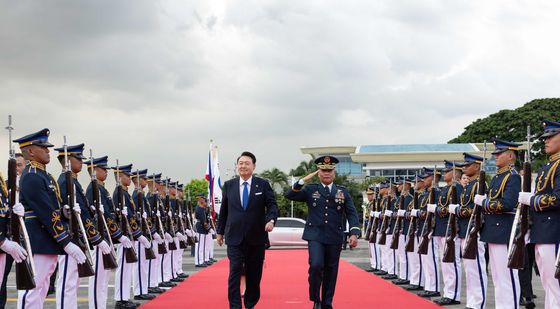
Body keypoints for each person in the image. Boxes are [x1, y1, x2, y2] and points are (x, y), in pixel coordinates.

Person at [15, 128, 86, 308]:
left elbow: (53, 209)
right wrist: (66, 242)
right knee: (32, 291)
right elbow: (46, 213)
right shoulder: (32, 176)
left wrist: (64, 212)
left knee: (42, 287)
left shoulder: (45, 176)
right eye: (43, 147)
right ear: (30, 151)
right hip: (37, 241)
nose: (48, 151)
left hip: (46, 240)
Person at [285, 155, 360, 309]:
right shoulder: (311, 189)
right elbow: (289, 195)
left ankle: (327, 303)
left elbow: (352, 213)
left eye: (330, 170)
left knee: (331, 271)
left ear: (334, 173)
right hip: (315, 235)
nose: (327, 173)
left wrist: (354, 232)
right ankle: (315, 298)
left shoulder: (342, 191)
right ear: (318, 172)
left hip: (334, 235)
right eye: (323, 170)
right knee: (316, 265)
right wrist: (301, 182)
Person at [216, 151, 278, 309]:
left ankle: (250, 304)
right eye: (240, 163)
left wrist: (271, 220)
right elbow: (224, 210)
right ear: (237, 166)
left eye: (247, 163)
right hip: (234, 237)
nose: (243, 166)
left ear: (254, 166)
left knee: (254, 274)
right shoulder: (229, 185)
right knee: (234, 272)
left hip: (256, 237)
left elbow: (272, 205)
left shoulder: (262, 184)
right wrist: (220, 231)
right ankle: (235, 306)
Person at [55, 143, 112, 309]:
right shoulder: (65, 181)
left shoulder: (74, 181)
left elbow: (85, 212)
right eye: (77, 158)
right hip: (69, 237)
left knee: (74, 281)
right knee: (67, 282)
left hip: (78, 237)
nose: (81, 162)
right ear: (67, 160)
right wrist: (95, 237)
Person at [518, 119, 560, 309]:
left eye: (550, 137)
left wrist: (531, 199)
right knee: (548, 282)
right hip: (542, 231)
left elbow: (557, 199)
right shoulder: (545, 168)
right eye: (545, 138)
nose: (546, 141)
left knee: (556, 283)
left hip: (554, 232)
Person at [476, 139, 521, 309]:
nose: (495, 156)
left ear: (510, 156)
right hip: (493, 230)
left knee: (507, 275)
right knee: (497, 276)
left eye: (499, 153)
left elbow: (507, 203)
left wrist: (485, 203)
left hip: (504, 230)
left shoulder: (513, 177)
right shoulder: (498, 177)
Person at [449, 152, 488, 309]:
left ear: (477, 166)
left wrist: (458, 210)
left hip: (474, 230)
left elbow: (475, 210)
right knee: (470, 270)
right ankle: (472, 302)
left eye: (468, 165)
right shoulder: (469, 186)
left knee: (477, 269)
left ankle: (478, 303)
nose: (464, 168)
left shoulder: (479, 185)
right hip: (465, 230)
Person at [433, 160, 463, 306]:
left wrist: (438, 210)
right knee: (445, 263)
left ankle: (453, 295)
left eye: (447, 171)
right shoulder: (446, 189)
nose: (444, 174)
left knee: (451, 262)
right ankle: (448, 292)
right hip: (441, 228)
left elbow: (454, 209)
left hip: (450, 228)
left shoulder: (456, 188)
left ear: (455, 173)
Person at [0, 153, 27, 307]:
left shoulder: (29, 185)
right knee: (2, 279)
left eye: (20, 165)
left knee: (28, 279)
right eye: (14, 165)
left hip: (26, 239)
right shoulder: (4, 186)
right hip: (8, 239)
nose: (17, 168)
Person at [195, 193, 211, 267]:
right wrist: (206, 226)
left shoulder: (203, 208)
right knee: (199, 246)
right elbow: (202, 219)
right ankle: (198, 262)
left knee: (203, 245)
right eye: (202, 198)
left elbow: (206, 217)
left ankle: (203, 260)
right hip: (200, 228)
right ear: (199, 199)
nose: (204, 200)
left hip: (203, 228)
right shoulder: (198, 208)